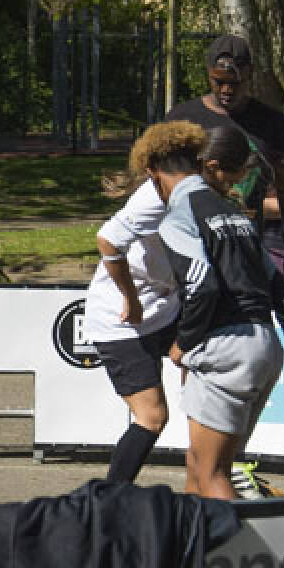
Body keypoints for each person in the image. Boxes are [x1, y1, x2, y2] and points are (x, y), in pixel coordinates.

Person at [137, 122, 284, 500]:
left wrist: (182, 343)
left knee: (211, 475)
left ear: (154, 173)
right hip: (264, 347)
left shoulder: (179, 217)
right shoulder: (235, 214)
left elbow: (203, 286)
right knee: (200, 468)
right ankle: (197, 540)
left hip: (225, 349)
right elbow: (279, 287)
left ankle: (245, 541)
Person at [166, 35, 284, 273]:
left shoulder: (273, 124)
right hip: (192, 251)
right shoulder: (181, 120)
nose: (227, 90)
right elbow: (157, 186)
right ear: (208, 72)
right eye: (219, 82)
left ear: (250, 74)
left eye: (236, 82)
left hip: (245, 255)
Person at [83, 165, 178, 484]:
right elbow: (108, 240)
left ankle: (215, 473)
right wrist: (131, 298)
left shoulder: (192, 193)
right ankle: (111, 495)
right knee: (152, 416)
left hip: (166, 308)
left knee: (215, 367)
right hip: (122, 321)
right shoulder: (153, 198)